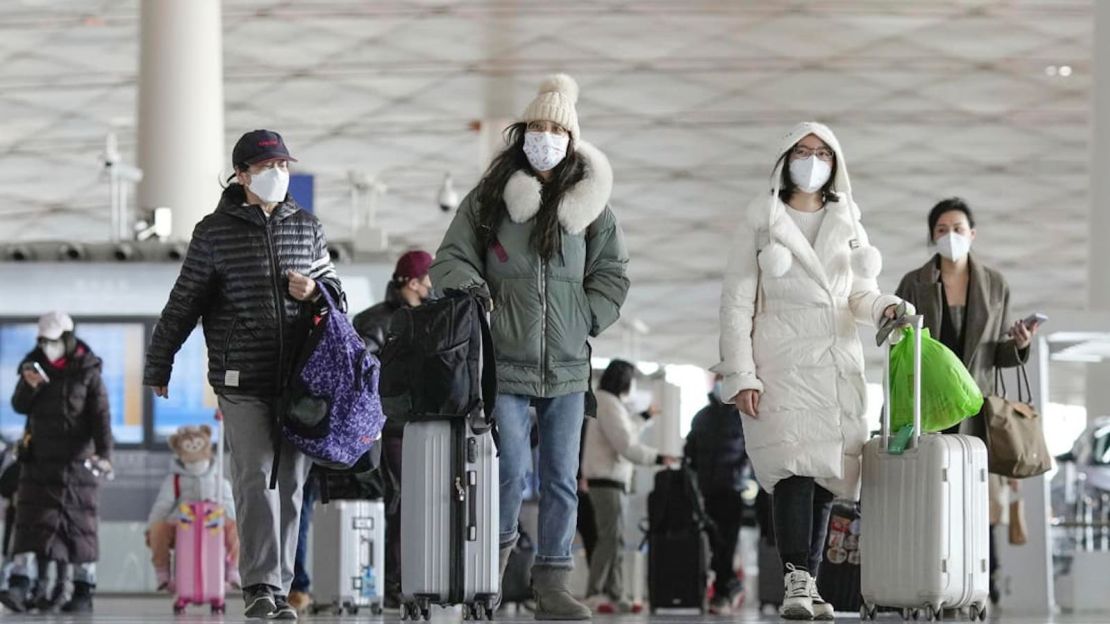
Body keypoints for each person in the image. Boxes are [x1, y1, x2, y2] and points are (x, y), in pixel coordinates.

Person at [430, 73, 629, 620]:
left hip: (567, 369)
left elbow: (613, 273)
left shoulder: (592, 209)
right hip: (505, 365)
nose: (545, 137)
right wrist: (473, 290)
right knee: (511, 470)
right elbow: (449, 258)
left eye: (555, 129)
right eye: (536, 127)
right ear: (522, 134)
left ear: (572, 140)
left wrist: (587, 316)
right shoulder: (491, 200)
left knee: (563, 479)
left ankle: (553, 584)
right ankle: (487, 578)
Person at [144, 129, 343, 621]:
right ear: (242, 175)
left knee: (294, 483)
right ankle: (258, 585)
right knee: (256, 477)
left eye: (284, 165)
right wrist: (160, 361)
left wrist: (315, 292)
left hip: (300, 380)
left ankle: (280, 589)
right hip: (241, 379)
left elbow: (337, 295)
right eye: (269, 166)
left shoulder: (308, 226)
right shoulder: (215, 232)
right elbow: (184, 301)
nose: (280, 174)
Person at [715, 122, 906, 621]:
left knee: (827, 478)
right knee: (790, 471)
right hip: (778, 364)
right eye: (802, 151)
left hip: (834, 365)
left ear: (835, 163)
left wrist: (885, 307)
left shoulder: (848, 222)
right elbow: (736, 302)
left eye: (822, 152)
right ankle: (796, 577)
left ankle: (810, 582)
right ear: (785, 159)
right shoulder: (761, 221)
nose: (812, 160)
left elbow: (859, 294)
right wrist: (741, 374)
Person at [894, 197, 1037, 606]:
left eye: (958, 228)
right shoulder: (913, 284)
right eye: (941, 230)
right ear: (931, 237)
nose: (950, 236)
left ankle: (983, 585)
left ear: (972, 234)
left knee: (979, 500)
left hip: (977, 408)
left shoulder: (995, 284)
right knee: (932, 498)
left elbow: (999, 354)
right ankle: (932, 583)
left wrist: (1021, 346)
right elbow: (901, 349)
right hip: (931, 407)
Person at [2, 312, 112, 614]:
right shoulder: (32, 366)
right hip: (39, 461)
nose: (46, 346)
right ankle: (22, 584)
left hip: (78, 465)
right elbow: (19, 405)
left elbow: (100, 416)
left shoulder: (88, 371)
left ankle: (81, 588)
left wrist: (105, 454)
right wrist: (30, 385)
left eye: (52, 340)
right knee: (32, 524)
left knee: (79, 528)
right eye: (42, 340)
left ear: (67, 338)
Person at [581, 360, 675, 613]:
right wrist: (657, 457)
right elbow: (625, 443)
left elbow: (625, 430)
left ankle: (616, 594)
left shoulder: (609, 403)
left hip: (611, 479)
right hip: (607, 479)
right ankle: (595, 593)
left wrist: (644, 417)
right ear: (624, 380)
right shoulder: (607, 403)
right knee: (610, 539)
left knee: (615, 539)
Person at [146, 425, 240, 592]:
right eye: (188, 446)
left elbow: (229, 506)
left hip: (213, 524)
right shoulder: (174, 480)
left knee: (237, 530)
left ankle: (233, 569)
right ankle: (163, 572)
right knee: (158, 529)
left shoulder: (219, 480)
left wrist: (228, 518)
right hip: (183, 524)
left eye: (198, 444)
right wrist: (152, 527)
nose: (194, 448)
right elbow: (162, 506)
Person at [685, 375, 748, 615]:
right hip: (707, 490)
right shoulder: (702, 417)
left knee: (727, 544)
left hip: (733, 489)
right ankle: (727, 586)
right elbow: (690, 451)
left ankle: (724, 590)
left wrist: (743, 474)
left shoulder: (743, 417)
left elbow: (750, 452)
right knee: (714, 542)